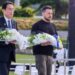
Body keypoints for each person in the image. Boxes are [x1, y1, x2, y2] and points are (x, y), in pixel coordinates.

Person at [31, 5, 57, 75]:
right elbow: (32, 40)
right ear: (43, 13)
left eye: (51, 13)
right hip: (40, 54)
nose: (50, 15)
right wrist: (42, 43)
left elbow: (56, 38)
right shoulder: (36, 25)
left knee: (49, 73)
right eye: (48, 13)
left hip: (50, 53)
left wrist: (57, 44)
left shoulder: (53, 26)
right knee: (42, 73)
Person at [0, 1, 17, 75]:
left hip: (10, 54)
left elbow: (17, 35)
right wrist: (7, 41)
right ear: (3, 10)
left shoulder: (14, 22)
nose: (12, 11)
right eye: (9, 9)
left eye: (13, 9)